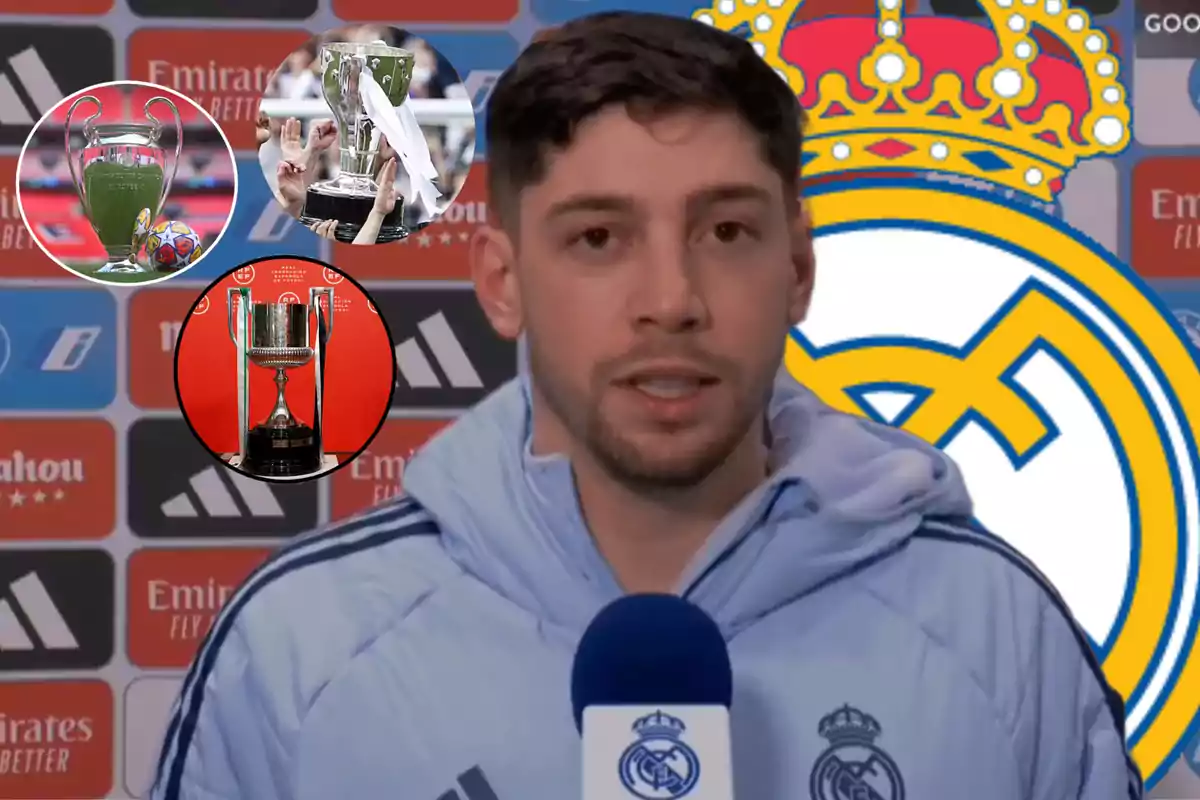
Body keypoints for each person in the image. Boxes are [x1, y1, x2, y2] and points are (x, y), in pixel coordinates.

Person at [150, 11, 1142, 800]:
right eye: (597, 238)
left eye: (724, 229)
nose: (672, 298)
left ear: (796, 269)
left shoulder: (1000, 631)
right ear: (502, 281)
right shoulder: (300, 647)